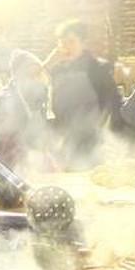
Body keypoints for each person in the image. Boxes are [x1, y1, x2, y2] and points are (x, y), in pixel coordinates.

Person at [43, 18, 121, 169]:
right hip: (62, 139)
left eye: (71, 42)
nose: (66, 47)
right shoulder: (56, 69)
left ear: (83, 43)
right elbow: (33, 86)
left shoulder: (98, 68)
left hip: (90, 140)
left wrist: (107, 135)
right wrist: (48, 63)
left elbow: (113, 103)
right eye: (62, 42)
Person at [0, 49, 49, 208]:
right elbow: (4, 145)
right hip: (3, 174)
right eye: (32, 76)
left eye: (38, 75)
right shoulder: (8, 101)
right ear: (19, 75)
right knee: (9, 213)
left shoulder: (28, 98)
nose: (38, 80)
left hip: (19, 171)